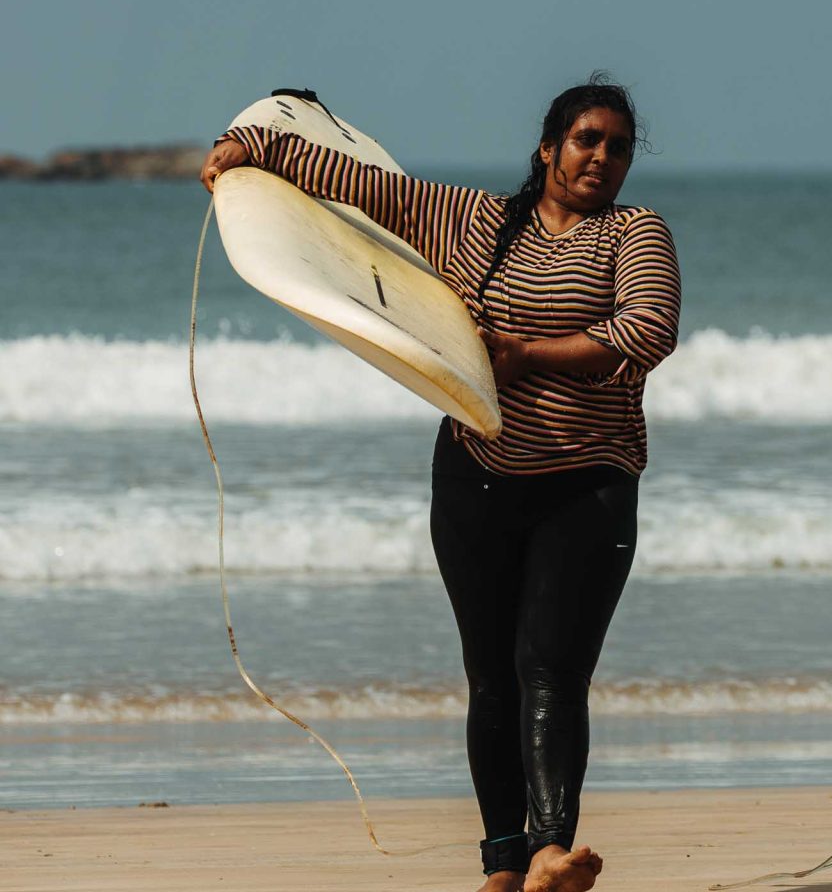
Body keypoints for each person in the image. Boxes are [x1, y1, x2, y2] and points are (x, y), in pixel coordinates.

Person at [201, 75, 680, 892]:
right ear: (548, 147)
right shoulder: (474, 221)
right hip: (477, 478)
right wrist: (252, 149)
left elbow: (646, 331)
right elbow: (356, 182)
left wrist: (526, 352)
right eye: (586, 140)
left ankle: (550, 852)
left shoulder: (634, 234)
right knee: (490, 674)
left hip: (587, 485)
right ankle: (502, 860)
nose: (602, 157)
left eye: (618, 147)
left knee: (551, 670)